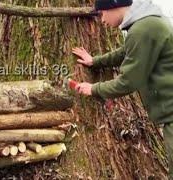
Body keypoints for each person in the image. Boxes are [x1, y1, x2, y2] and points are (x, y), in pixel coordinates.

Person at [72, 0, 173, 178]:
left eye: (101, 13)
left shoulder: (143, 29)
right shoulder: (146, 22)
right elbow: (126, 52)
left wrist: (94, 89)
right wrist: (95, 61)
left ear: (113, 6)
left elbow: (129, 81)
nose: (101, 20)